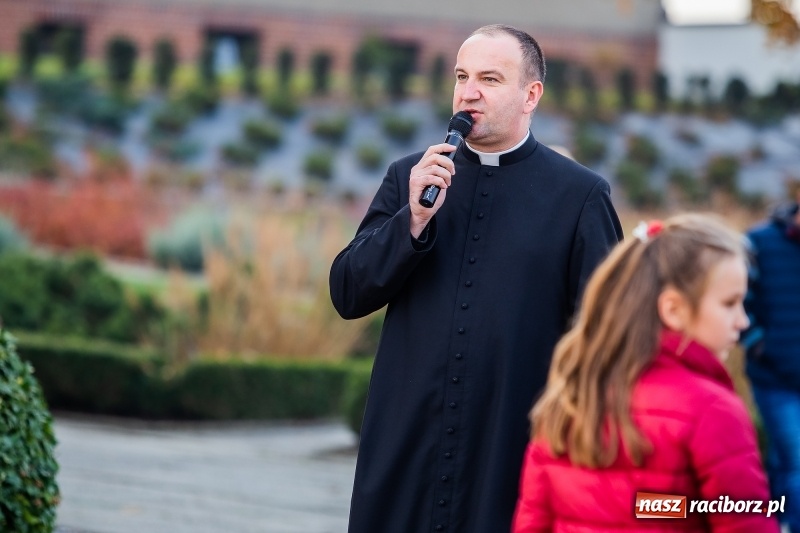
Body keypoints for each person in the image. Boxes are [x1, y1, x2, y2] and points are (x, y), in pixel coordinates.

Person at [329, 24, 623, 533]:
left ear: (531, 95)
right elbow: (348, 292)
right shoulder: (410, 177)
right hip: (407, 444)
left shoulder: (580, 196)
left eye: (489, 79)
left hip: (511, 445)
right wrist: (412, 220)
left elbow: (608, 332)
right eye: (461, 76)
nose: (468, 92)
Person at [512, 214, 779, 533]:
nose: (743, 321)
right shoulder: (712, 412)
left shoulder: (571, 397)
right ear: (673, 310)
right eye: (730, 303)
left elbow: (532, 523)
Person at [742, 185, 800, 533]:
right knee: (796, 462)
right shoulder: (759, 242)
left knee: (783, 460)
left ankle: (776, 522)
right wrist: (758, 345)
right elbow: (739, 300)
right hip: (774, 378)